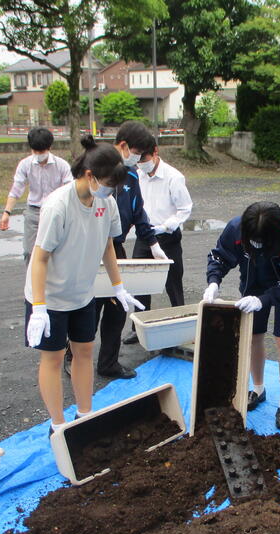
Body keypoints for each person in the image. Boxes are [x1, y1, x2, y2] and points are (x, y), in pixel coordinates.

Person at [25, 135, 144, 435]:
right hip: (49, 297)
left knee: (85, 351)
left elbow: (108, 246)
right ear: (89, 175)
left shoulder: (107, 201)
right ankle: (58, 424)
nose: (110, 189)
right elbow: (39, 259)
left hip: (81, 293)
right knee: (52, 359)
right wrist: (38, 308)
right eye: (107, 183)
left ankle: (85, 414)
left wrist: (118, 286)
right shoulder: (58, 206)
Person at [203, 202, 280, 429]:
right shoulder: (236, 229)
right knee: (253, 336)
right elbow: (219, 257)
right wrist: (213, 282)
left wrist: (263, 301)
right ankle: (258, 388)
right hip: (254, 283)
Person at [90, 121, 168, 379]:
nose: (138, 158)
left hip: (116, 247)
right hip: (89, 250)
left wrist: (153, 243)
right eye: (136, 152)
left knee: (116, 308)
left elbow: (138, 212)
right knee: (88, 310)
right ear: (123, 145)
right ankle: (74, 356)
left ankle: (108, 362)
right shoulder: (96, 168)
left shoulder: (132, 175)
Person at [123, 143, 193, 344]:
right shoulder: (137, 176)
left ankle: (182, 327)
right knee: (140, 281)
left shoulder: (173, 177)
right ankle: (138, 329)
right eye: (139, 161)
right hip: (145, 235)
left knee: (173, 282)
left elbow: (185, 209)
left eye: (144, 160)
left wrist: (166, 226)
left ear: (155, 152)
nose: (142, 164)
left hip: (168, 236)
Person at [0, 127, 74, 264]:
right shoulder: (25, 164)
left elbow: (70, 190)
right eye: (35, 151)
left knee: (56, 251)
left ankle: (53, 282)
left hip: (57, 211)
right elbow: (16, 189)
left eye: (42, 151)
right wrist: (6, 212)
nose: (39, 154)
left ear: (50, 147)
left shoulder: (62, 165)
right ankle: (32, 284)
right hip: (34, 211)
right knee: (30, 251)